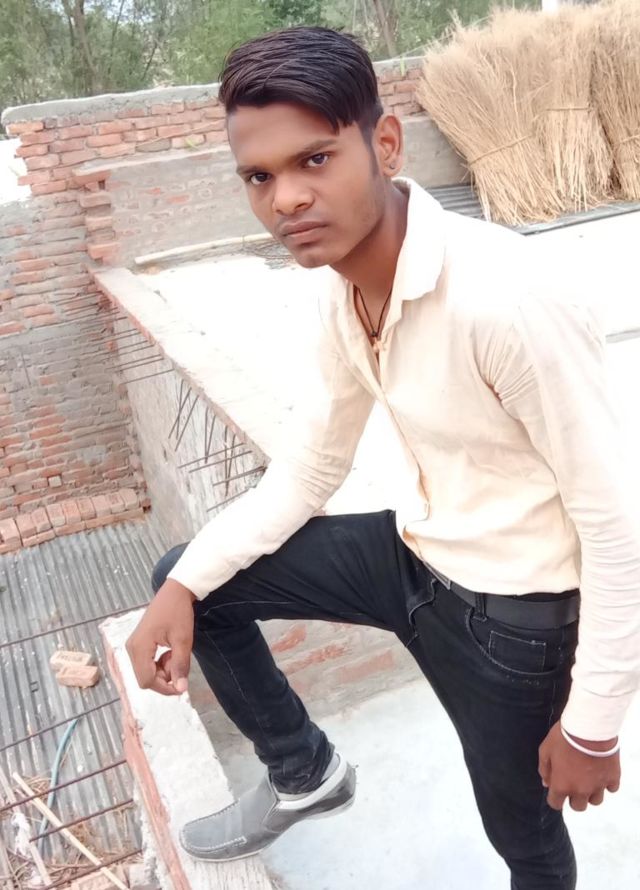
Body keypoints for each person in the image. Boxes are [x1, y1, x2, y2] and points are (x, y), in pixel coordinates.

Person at [125, 26, 640, 888]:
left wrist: (594, 722)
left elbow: (617, 520)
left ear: (386, 144)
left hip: (515, 620)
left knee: (523, 838)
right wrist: (180, 588)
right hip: (413, 558)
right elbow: (309, 471)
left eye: (314, 160)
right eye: (260, 177)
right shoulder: (341, 296)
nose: (287, 199)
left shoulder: (507, 299)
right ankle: (304, 771)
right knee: (192, 578)